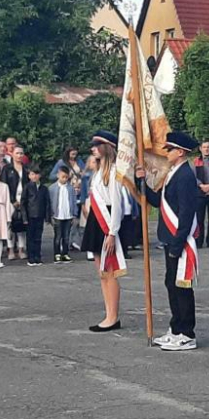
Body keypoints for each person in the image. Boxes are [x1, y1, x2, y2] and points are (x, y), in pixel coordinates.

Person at [137, 132, 200, 352]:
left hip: (178, 241)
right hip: (170, 238)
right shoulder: (174, 173)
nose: (167, 153)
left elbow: (186, 213)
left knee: (182, 286)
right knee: (171, 284)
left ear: (180, 152)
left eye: (170, 150)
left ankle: (187, 333)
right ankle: (176, 328)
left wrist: (177, 244)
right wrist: (141, 181)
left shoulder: (185, 176)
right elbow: (159, 202)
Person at [83, 131, 126, 333]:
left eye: (96, 145)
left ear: (105, 147)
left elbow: (117, 205)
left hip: (107, 222)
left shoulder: (114, 171)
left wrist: (112, 232)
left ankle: (113, 316)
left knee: (109, 272)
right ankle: (108, 313)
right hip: (96, 221)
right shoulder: (98, 171)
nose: (92, 149)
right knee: (102, 273)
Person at [50, 147, 85, 250]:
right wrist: (65, 176)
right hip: (67, 189)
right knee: (66, 218)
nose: (74, 154)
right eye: (72, 153)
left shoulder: (79, 162)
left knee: (76, 218)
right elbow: (52, 176)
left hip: (79, 190)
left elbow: (86, 172)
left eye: (75, 153)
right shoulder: (61, 162)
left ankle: (73, 241)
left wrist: (82, 175)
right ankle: (67, 242)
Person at [0, 145, 29, 260]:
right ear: (12, 154)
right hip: (10, 200)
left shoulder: (26, 168)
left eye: (21, 153)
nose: (19, 155)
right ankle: (10, 249)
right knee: (9, 226)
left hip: (23, 199)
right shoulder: (7, 169)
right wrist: (12, 200)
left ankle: (21, 249)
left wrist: (23, 200)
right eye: (17, 153)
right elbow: (4, 185)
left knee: (22, 225)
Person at [21, 165, 50, 266]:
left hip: (40, 215)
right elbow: (23, 203)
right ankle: (31, 257)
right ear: (29, 176)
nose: (35, 176)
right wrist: (24, 217)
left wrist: (47, 216)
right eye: (32, 174)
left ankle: (38, 256)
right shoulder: (27, 187)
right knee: (30, 237)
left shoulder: (44, 188)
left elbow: (47, 203)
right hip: (30, 216)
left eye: (36, 174)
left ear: (40, 175)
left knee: (38, 237)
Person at [48, 165, 76, 264]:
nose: (64, 179)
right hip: (57, 216)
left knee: (66, 236)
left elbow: (73, 201)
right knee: (58, 236)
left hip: (68, 215)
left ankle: (65, 253)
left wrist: (74, 214)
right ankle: (57, 254)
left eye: (66, 177)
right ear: (58, 175)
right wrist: (50, 215)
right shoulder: (52, 188)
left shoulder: (71, 188)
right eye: (62, 177)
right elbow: (50, 202)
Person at [78, 155, 98, 261]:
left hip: (99, 200)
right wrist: (82, 205)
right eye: (92, 162)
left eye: (96, 162)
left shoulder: (101, 174)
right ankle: (89, 250)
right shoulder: (85, 177)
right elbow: (83, 192)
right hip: (88, 200)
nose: (94, 164)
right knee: (87, 226)